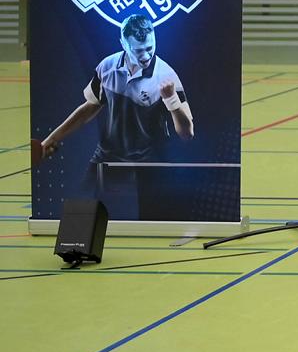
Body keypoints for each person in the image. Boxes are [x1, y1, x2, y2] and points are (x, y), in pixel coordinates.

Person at [32, 14, 194, 217]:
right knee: (82, 214)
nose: (146, 56)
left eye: (150, 48)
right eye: (138, 50)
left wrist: (171, 100)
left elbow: (187, 133)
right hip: (108, 157)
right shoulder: (107, 67)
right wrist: (52, 138)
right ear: (123, 44)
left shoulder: (167, 76)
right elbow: (89, 108)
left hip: (148, 162)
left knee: (149, 220)